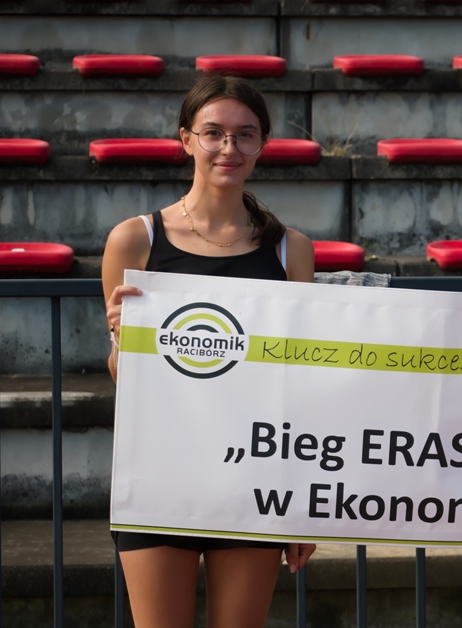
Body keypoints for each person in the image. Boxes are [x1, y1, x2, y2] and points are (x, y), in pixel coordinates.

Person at [102, 74, 317, 628]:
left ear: (263, 143)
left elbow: (295, 385)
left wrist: (299, 505)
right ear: (186, 138)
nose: (229, 147)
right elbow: (123, 376)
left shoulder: (291, 250)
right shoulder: (134, 239)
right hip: (159, 473)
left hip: (252, 477)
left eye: (245, 134)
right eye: (214, 132)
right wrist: (123, 339)